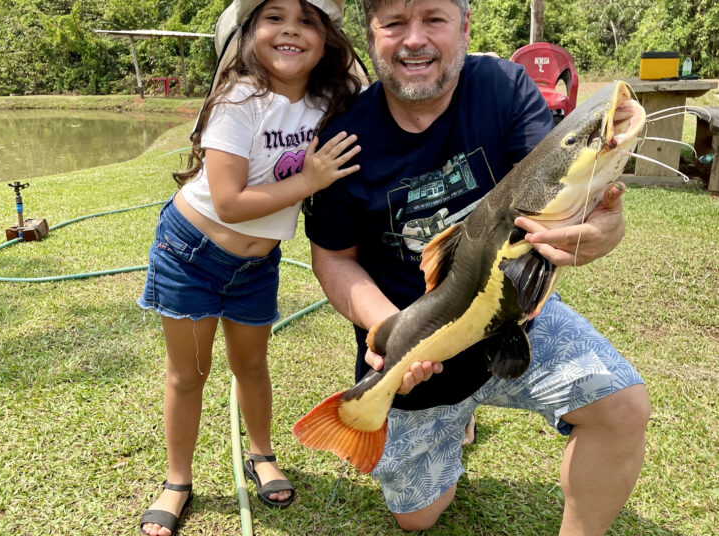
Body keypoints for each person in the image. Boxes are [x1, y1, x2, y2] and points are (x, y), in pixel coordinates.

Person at [304, 0, 651, 533]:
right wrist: (385, 328)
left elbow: (553, 178)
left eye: (434, 19)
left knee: (623, 405)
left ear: (464, 28)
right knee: (416, 518)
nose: (414, 39)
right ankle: (455, 415)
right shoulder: (344, 139)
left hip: (519, 317)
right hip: (416, 347)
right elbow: (333, 255)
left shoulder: (503, 87)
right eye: (394, 23)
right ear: (370, 35)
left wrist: (604, 226)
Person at [136, 0, 363, 533]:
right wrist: (308, 181)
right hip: (190, 255)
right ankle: (177, 481)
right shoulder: (240, 99)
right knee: (188, 375)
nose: (291, 29)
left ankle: (260, 455)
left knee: (252, 367)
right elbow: (231, 201)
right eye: (274, 17)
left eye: (308, 20)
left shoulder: (334, 102)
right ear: (249, 32)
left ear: (327, 37)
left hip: (257, 266)